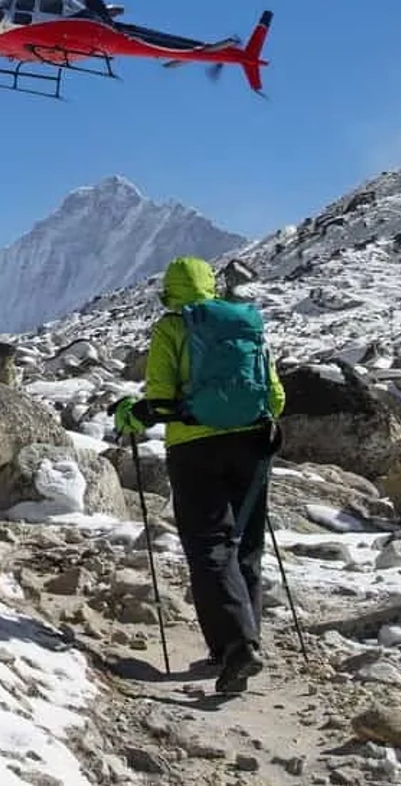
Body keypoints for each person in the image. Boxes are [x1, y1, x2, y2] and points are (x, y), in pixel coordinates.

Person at [113, 256, 285, 695]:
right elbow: (276, 396)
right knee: (245, 543)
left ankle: (234, 646)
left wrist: (133, 415)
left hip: (194, 448)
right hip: (252, 444)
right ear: (211, 285)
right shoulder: (246, 324)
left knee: (209, 544)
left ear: (169, 291)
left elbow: (159, 397)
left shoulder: (172, 328)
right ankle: (243, 640)